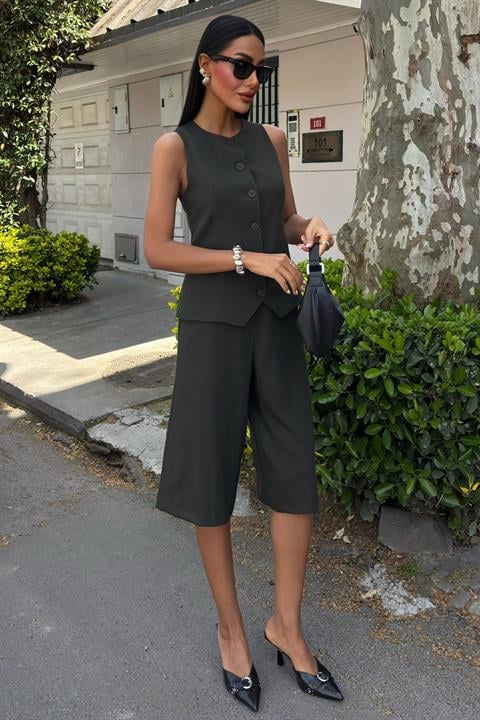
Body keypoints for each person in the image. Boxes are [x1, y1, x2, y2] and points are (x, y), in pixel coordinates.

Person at [143, 13, 344, 713]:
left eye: (261, 68)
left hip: (277, 326)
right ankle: (231, 630)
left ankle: (286, 626)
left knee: (294, 474)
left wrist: (306, 227)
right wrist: (242, 258)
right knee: (210, 478)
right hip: (213, 332)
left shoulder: (273, 140)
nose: (252, 79)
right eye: (240, 65)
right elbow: (158, 248)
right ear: (205, 65)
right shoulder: (175, 146)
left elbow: (285, 219)